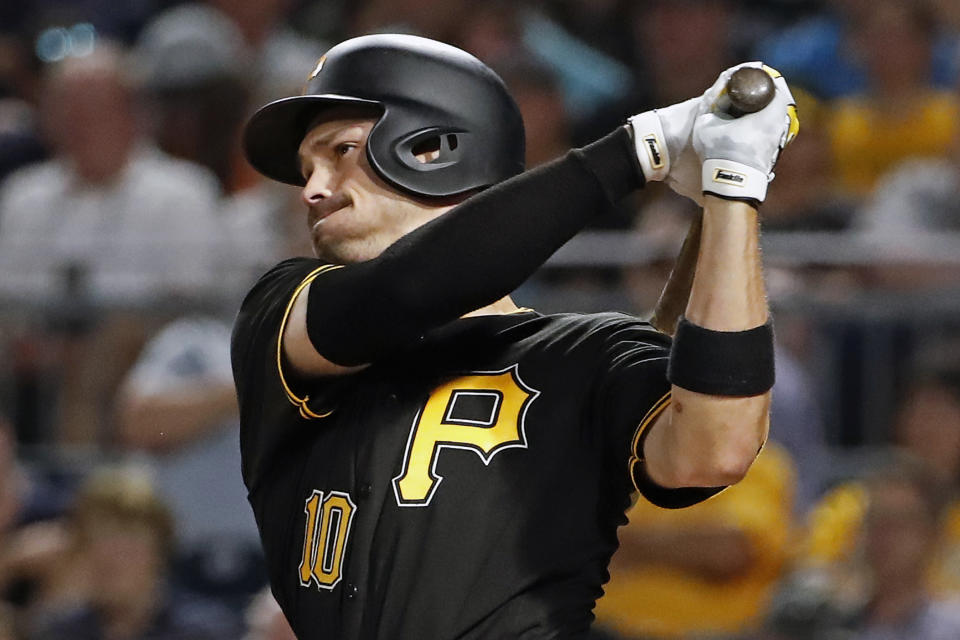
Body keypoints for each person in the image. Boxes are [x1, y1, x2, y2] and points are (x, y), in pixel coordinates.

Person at [231, 34, 797, 638]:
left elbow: (717, 449)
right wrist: (637, 150)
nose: (312, 191)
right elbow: (408, 291)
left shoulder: (587, 354)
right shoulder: (280, 308)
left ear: (432, 149)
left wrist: (734, 187)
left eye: (339, 151)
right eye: (306, 169)